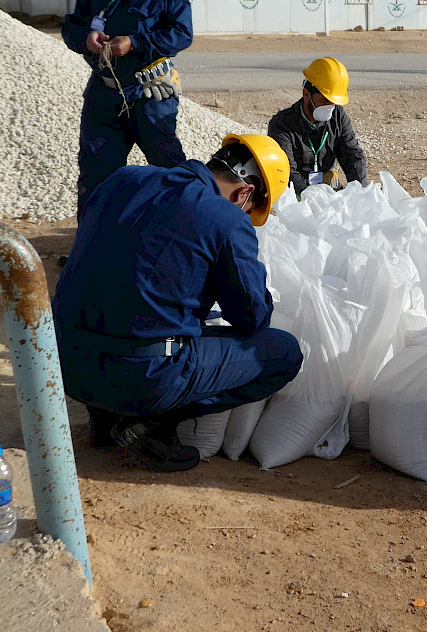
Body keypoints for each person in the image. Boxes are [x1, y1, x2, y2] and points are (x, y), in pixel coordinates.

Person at [53, 134, 305, 471]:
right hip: (142, 377)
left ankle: (105, 412)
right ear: (245, 193)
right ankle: (147, 421)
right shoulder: (227, 219)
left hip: (65, 367)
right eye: (251, 208)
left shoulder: (123, 178)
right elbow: (251, 319)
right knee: (283, 353)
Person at [62, 0, 194, 221]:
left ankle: (179, 242)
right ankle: (91, 250)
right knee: (97, 175)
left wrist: (135, 43)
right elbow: (72, 27)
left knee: (169, 172)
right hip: (104, 96)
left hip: (149, 95)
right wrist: (86, 41)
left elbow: (181, 34)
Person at [267, 57, 367, 194]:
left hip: (327, 188)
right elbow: (287, 171)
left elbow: (352, 155)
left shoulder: (337, 115)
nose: (329, 107)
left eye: (333, 102)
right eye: (324, 101)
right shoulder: (282, 124)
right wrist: (312, 198)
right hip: (297, 193)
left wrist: (361, 193)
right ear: (306, 94)